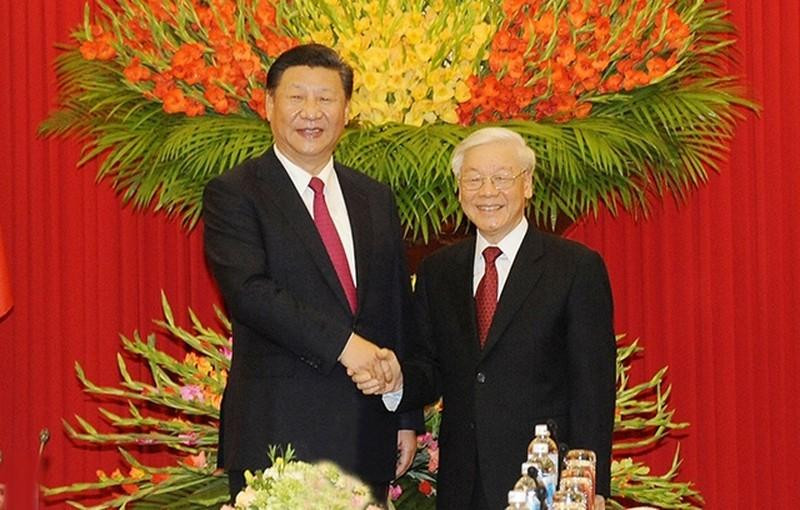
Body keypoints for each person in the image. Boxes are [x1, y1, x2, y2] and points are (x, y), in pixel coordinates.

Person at [352, 127, 616, 509]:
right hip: (463, 483)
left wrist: (591, 486)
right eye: (473, 179)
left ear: (527, 184)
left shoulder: (574, 268)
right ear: (459, 190)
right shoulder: (438, 271)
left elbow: (592, 388)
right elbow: (430, 367)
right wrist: (396, 379)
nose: (487, 191)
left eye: (501, 178)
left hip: (545, 482)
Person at [202, 43, 420, 504]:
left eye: (325, 98)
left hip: (367, 431)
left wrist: (405, 414)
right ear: (268, 105)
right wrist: (346, 346)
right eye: (296, 97)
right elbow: (251, 293)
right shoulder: (235, 193)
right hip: (278, 433)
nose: (311, 112)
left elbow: (396, 307)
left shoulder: (374, 197)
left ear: (347, 111)